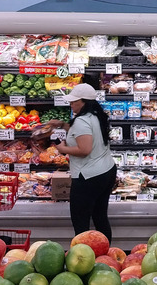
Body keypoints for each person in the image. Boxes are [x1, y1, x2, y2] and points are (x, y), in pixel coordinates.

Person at [44, 83, 117, 241]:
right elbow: (83, 134)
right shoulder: (96, 115)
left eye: (73, 101)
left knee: (80, 221)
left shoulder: (81, 121)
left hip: (89, 176)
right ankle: (106, 255)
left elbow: (84, 149)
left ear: (83, 102)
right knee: (100, 216)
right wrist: (63, 125)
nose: (71, 104)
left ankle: (82, 255)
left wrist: (63, 149)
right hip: (106, 171)